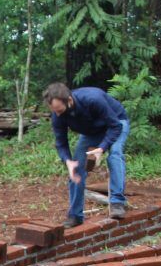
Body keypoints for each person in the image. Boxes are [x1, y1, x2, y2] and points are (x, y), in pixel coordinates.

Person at [45, 82, 131, 227]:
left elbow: (115, 126)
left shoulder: (93, 99)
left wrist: (102, 148)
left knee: (115, 154)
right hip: (91, 132)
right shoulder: (57, 115)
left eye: (60, 110)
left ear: (70, 101)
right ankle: (75, 216)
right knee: (76, 168)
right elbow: (61, 142)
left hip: (116, 122)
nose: (58, 114)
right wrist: (67, 161)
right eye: (55, 111)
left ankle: (117, 203)